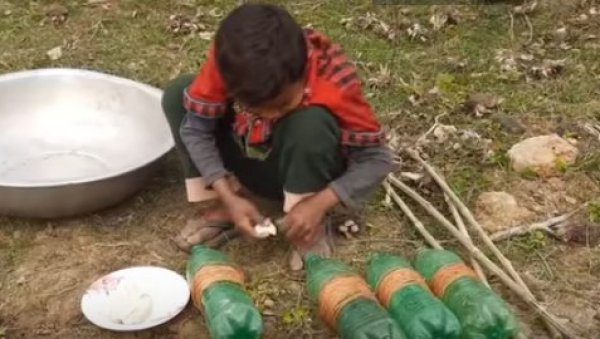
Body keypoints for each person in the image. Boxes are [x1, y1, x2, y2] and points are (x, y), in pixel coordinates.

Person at [161, 3, 393, 270]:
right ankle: (233, 204)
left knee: (310, 123)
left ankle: (307, 220)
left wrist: (320, 203)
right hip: (249, 160)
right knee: (179, 95)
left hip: (301, 167)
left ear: (302, 72)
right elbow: (196, 130)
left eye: (283, 105)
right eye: (255, 108)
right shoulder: (230, 64)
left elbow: (376, 160)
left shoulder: (331, 81)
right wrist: (228, 197)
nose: (271, 115)